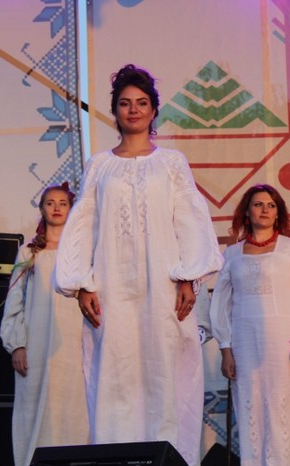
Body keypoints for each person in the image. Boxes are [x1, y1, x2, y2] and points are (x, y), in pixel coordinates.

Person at [54, 64, 223, 466]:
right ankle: (115, 459)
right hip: (111, 287)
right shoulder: (99, 165)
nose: (133, 110)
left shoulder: (171, 162)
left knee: (165, 373)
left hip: (164, 284)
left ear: (153, 111)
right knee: (115, 374)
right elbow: (84, 223)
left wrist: (189, 277)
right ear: (115, 110)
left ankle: (171, 459)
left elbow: (188, 218)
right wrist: (82, 283)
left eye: (142, 103)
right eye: (125, 103)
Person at [209, 184, 290, 466]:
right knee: (253, 414)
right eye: (258, 204)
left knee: (286, 414)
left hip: (282, 345)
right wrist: (225, 350)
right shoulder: (232, 254)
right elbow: (221, 305)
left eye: (271, 205)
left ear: (278, 213)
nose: (265, 210)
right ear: (247, 212)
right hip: (245, 347)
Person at [0, 182, 88, 466]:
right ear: (41, 209)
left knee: (75, 409)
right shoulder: (28, 253)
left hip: (74, 344)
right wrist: (17, 345)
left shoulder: (82, 252)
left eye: (63, 203)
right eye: (50, 203)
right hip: (37, 345)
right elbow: (14, 300)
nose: (57, 208)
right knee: (36, 407)